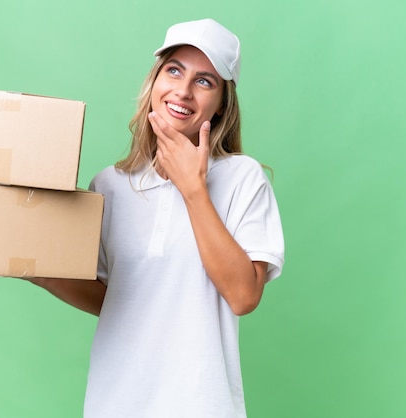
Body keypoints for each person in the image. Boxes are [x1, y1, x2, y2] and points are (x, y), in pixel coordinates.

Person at [27, 18, 285, 418]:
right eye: (174, 70)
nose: (183, 90)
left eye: (205, 81)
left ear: (221, 105)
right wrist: (37, 270)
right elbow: (120, 298)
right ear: (155, 81)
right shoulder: (110, 184)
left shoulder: (242, 179)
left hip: (201, 405)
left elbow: (243, 296)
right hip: (115, 402)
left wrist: (193, 189)